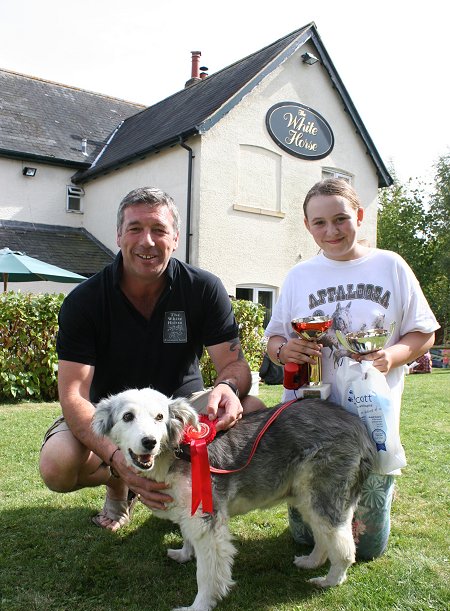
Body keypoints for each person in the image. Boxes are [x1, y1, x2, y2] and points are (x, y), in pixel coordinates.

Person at [40, 186, 264, 531]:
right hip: (113, 413)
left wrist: (229, 388)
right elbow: (73, 395)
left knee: (252, 409)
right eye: (135, 229)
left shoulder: (203, 288)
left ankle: (196, 493)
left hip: (179, 405)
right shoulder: (85, 301)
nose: (147, 240)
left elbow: (234, 366)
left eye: (158, 230)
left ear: (175, 238)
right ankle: (119, 487)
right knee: (57, 464)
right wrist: (118, 459)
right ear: (118, 235)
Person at [265, 178, 439, 560]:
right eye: (320, 223)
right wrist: (286, 349)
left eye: (341, 218)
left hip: (370, 410)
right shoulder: (299, 276)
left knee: (368, 547)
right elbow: (274, 341)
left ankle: (355, 534)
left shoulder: (390, 265)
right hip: (310, 413)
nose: (331, 230)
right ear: (308, 225)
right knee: (303, 536)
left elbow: (424, 332)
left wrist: (391, 356)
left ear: (359, 217)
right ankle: (318, 534)